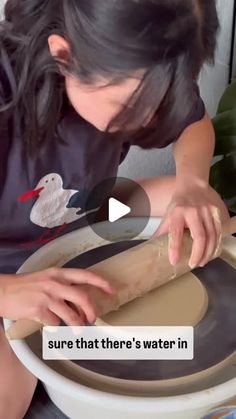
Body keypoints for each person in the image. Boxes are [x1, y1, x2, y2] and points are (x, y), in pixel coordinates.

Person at [0, 0, 229, 417]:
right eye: (130, 109)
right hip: (7, 266)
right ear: (63, 54)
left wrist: (193, 185)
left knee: (204, 210)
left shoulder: (145, 61)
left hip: (83, 208)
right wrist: (7, 292)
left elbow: (194, 124)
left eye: (161, 106)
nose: (148, 123)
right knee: (7, 400)